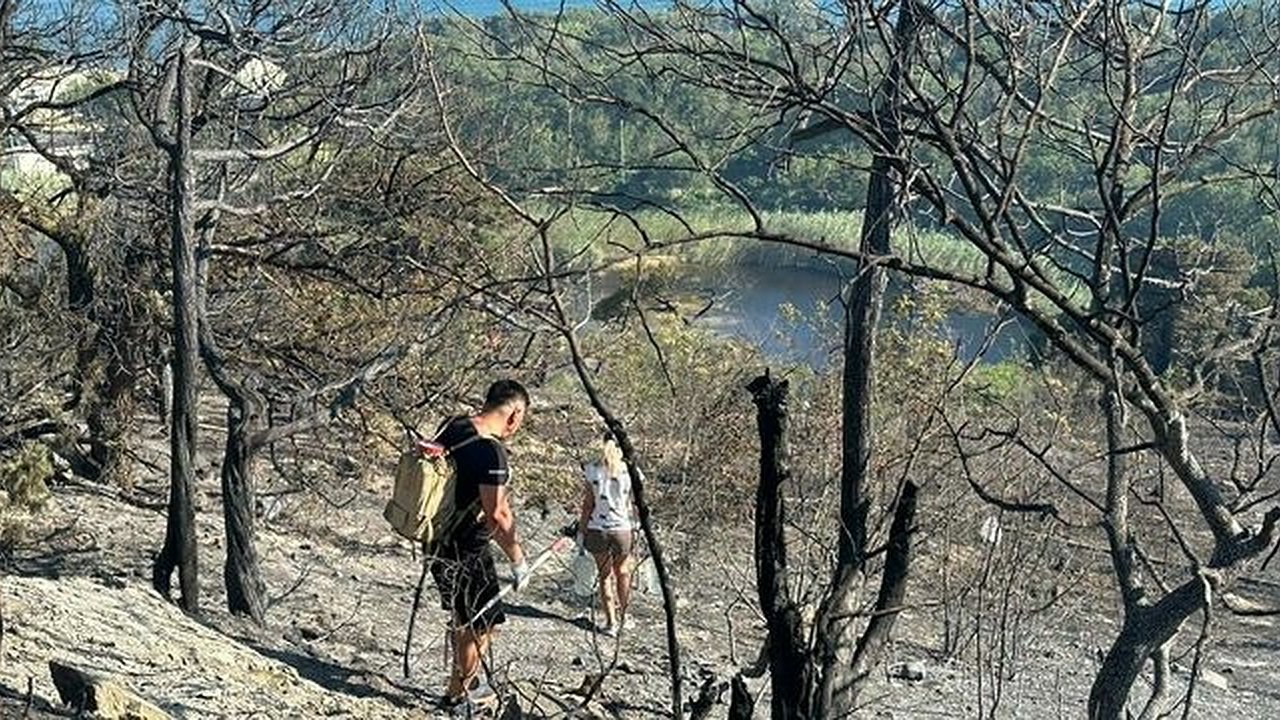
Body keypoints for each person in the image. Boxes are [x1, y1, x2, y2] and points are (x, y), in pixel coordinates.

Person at [425, 379, 531, 709]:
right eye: (522, 417)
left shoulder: (453, 425)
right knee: (482, 623)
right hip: (467, 548)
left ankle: (455, 691)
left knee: (463, 618)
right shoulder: (491, 451)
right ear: (514, 413)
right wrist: (518, 560)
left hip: (435, 540)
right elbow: (497, 514)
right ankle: (461, 696)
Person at [578, 431, 636, 638]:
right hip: (622, 528)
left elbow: (587, 506)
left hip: (597, 528)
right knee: (623, 572)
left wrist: (581, 531)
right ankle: (625, 617)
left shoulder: (592, 470)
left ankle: (611, 622)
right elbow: (635, 502)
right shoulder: (630, 470)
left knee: (605, 576)